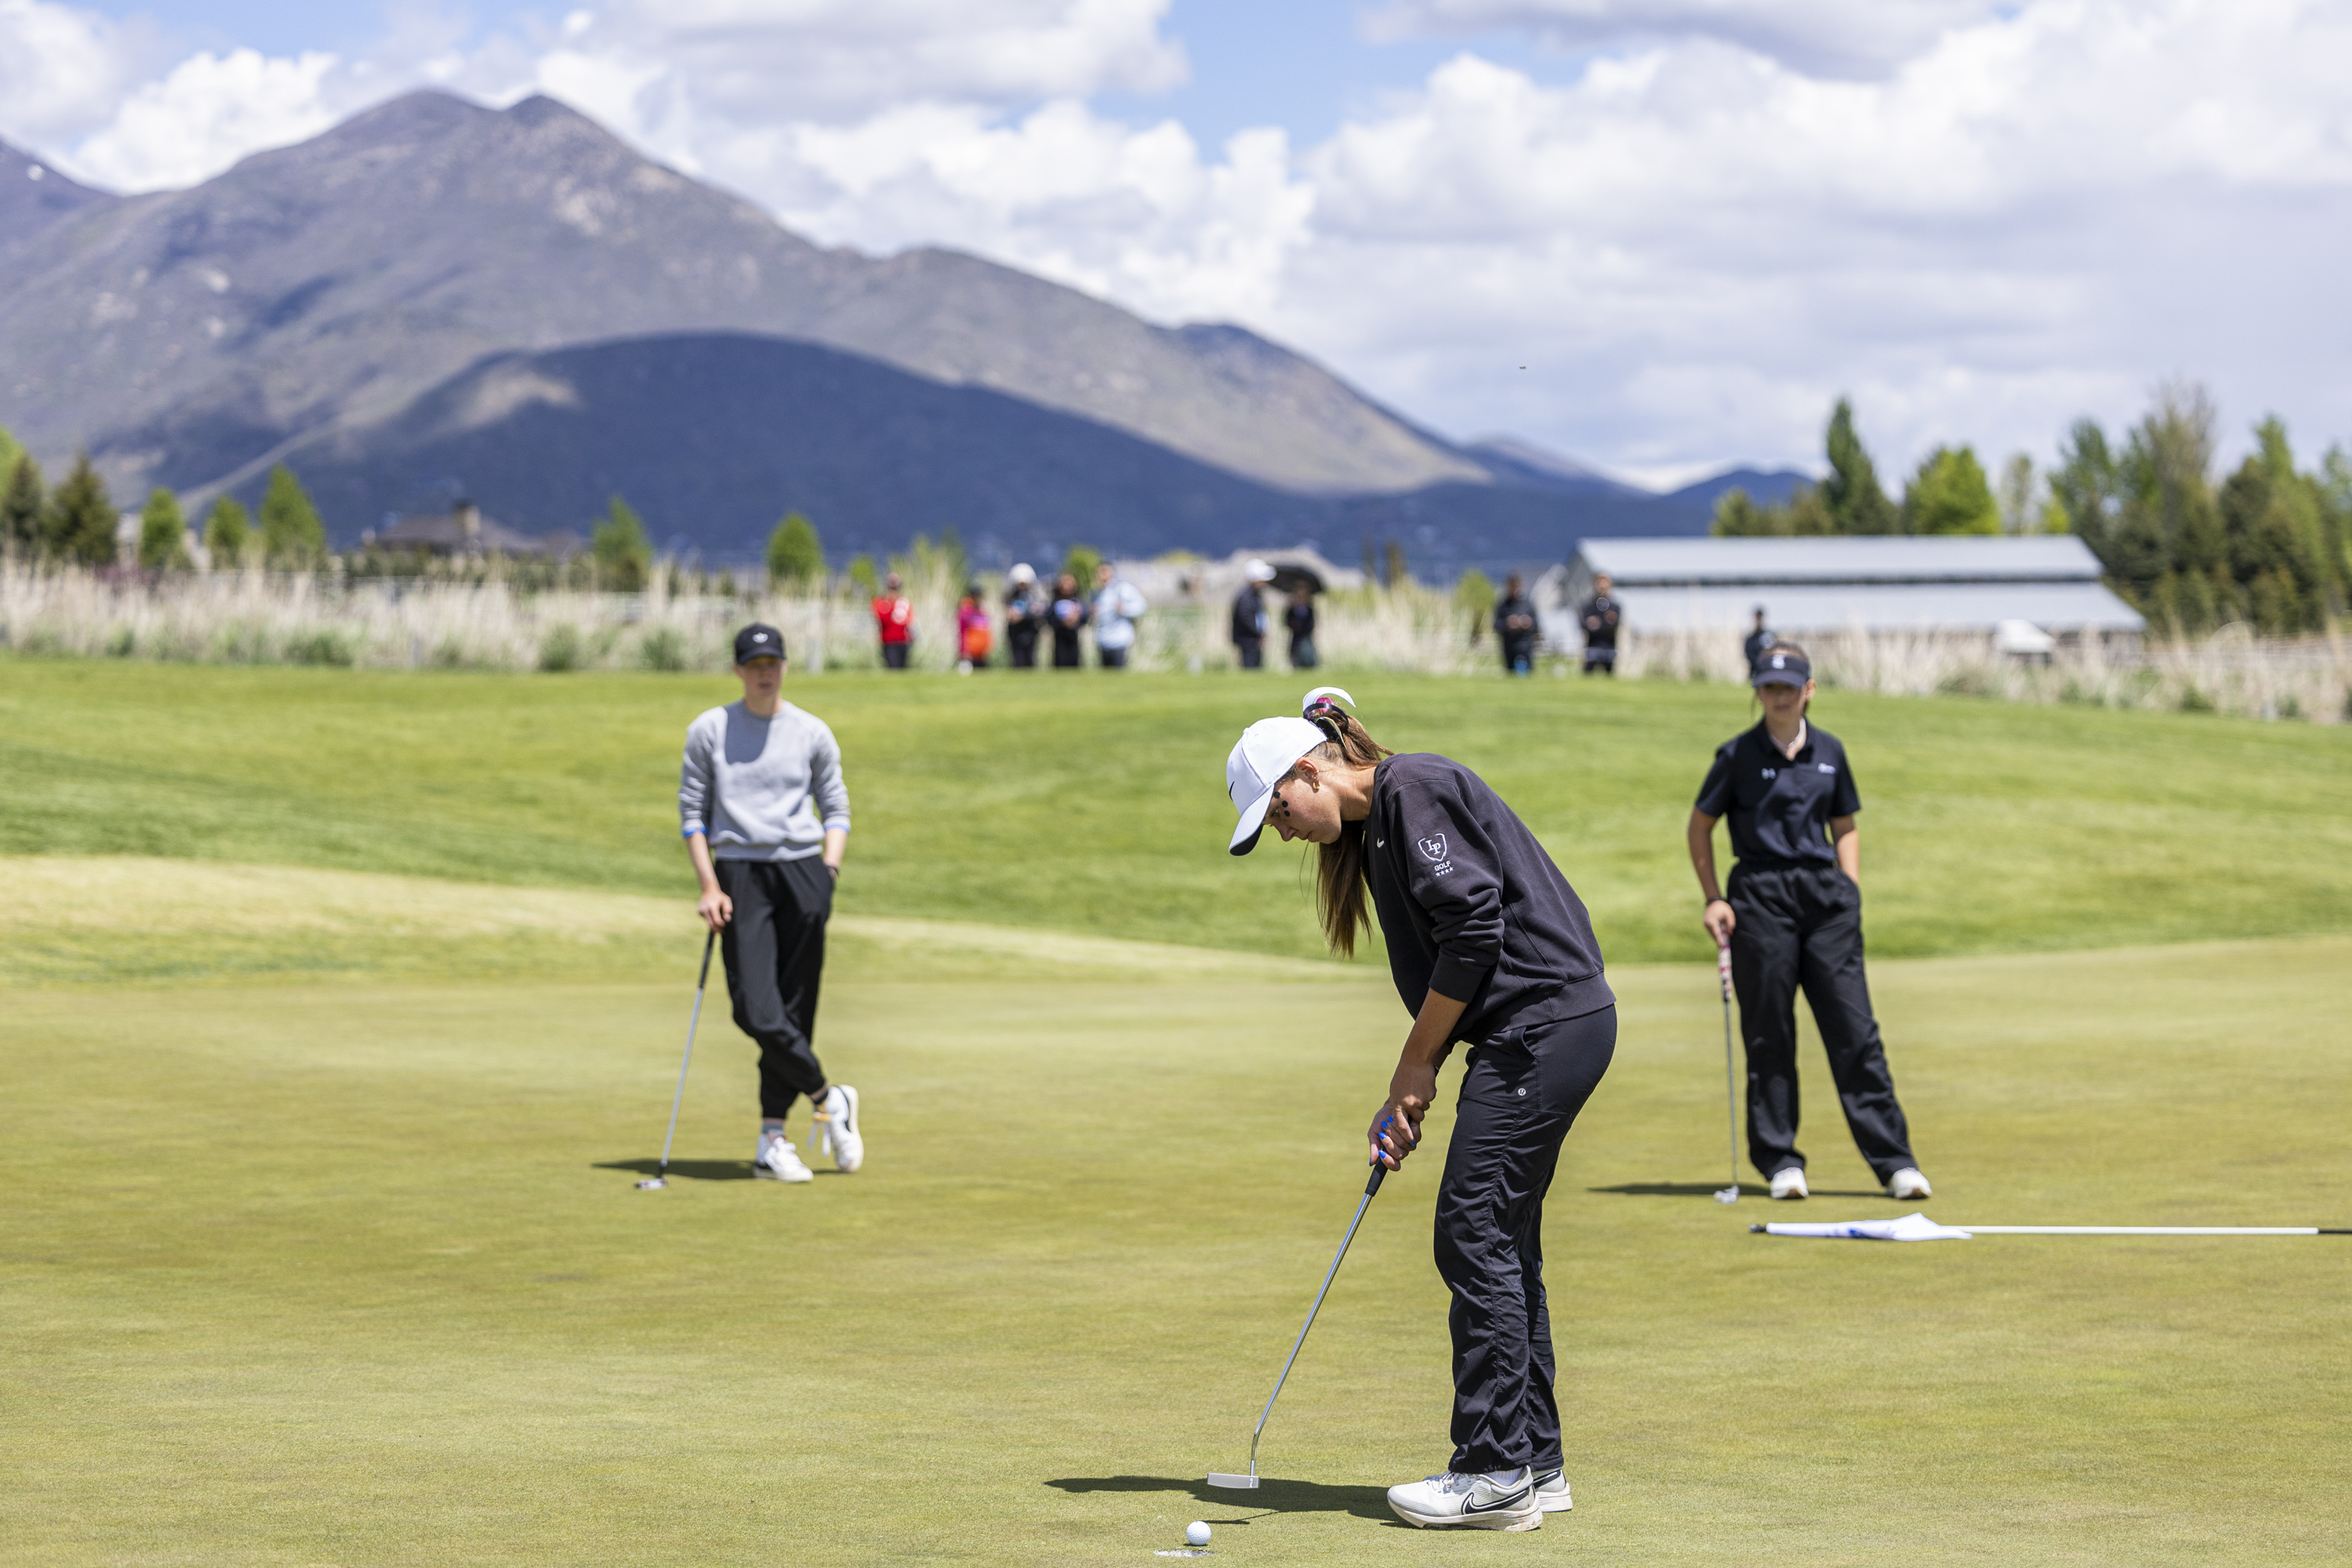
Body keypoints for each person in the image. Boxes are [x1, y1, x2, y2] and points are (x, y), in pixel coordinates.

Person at [1225, 688, 1614, 1532]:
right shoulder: (1378, 827)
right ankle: (1534, 1463)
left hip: (1543, 1027)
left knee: (1470, 1227)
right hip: (1539, 1031)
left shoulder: (1413, 788)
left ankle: (1493, 1468)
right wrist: (1415, 1073)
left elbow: (1475, 931)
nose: (1283, 830)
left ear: (1308, 769)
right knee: (1500, 1238)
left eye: (1278, 808)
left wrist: (1416, 1062)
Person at [1686, 644, 1929, 1203]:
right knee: (1770, 1031)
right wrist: (1713, 898)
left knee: (1855, 1031)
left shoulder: (1831, 752)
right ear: (1758, 692)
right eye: (1768, 687)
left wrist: (1851, 887)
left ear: (1809, 690)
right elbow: (1700, 828)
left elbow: (1844, 824)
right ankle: (1780, 1163)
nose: (1778, 696)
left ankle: (1895, 1163)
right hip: (1761, 899)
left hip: (1827, 904)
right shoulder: (1736, 755)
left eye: (1788, 687)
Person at [678, 623, 863, 1185]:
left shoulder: (811, 731)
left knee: (794, 1009)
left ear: (785, 666)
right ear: (737, 669)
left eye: (773, 662)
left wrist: (827, 872)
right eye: (754, 662)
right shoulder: (710, 729)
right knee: (755, 1010)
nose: (764, 671)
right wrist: (710, 885)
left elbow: (835, 806)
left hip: (804, 872)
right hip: (740, 873)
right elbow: (694, 815)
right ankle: (830, 1097)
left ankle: (772, 1139)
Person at [1091, 561, 1148, 670]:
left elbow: (1142, 606)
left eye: (1104, 572)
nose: (1101, 575)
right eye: (1099, 572)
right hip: (1102, 640)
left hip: (1119, 640)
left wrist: (1125, 609)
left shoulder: (1123, 589)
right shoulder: (1096, 593)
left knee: (1118, 675)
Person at [1231, 558, 1273, 669]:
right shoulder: (1247, 597)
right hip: (1248, 640)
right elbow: (1246, 618)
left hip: (1253, 640)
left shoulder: (1255, 595)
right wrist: (1258, 632)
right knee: (1250, 667)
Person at [1493, 575, 1537, 677]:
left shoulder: (1527, 604)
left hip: (1525, 645)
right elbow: (1496, 625)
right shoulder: (1503, 605)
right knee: (1510, 674)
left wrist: (1527, 623)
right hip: (1509, 646)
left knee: (1526, 674)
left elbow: (1536, 625)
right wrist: (1508, 624)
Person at [1577, 573, 1621, 677]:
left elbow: (1614, 625)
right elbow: (1585, 624)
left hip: (1609, 646)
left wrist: (1599, 624)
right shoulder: (1589, 606)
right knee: (1588, 675)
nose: (1602, 588)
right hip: (1593, 646)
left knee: (1609, 676)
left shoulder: (1615, 607)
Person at [1004, 564, 1044, 669]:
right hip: (1015, 633)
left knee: (1030, 659)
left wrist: (1022, 616)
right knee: (1017, 659)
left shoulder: (1033, 597)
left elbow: (1038, 612)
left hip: (1030, 632)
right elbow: (1009, 615)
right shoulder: (1010, 597)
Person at [872, 572, 913, 670]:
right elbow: (881, 619)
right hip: (889, 640)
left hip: (903, 640)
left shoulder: (904, 602)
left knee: (902, 668)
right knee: (893, 668)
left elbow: (909, 620)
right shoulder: (881, 602)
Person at [1047, 571, 1089, 669]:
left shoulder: (1078, 600)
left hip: (1073, 637)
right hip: (1059, 638)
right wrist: (1063, 622)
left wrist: (1076, 620)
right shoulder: (1055, 600)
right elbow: (1049, 618)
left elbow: (1085, 618)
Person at [956, 584, 992, 673]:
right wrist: (964, 650)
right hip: (970, 653)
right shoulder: (966, 611)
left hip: (982, 653)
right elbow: (962, 631)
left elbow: (986, 631)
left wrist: (987, 648)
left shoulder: (983, 611)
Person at [1285, 583, 1319, 670]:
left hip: (1306, 638)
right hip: (1296, 639)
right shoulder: (1292, 608)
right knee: (1296, 661)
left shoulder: (1309, 608)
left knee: (1309, 661)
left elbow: (1312, 624)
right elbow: (1286, 622)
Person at [1744, 607, 1777, 675]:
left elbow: (1772, 651)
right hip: (1754, 671)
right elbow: (1749, 654)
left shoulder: (1768, 636)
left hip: (1767, 670)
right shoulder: (1751, 638)